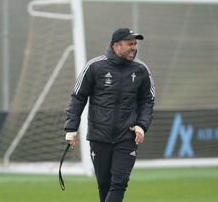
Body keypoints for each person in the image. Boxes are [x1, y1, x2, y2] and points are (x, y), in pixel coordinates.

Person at [64, 27, 155, 202]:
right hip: (99, 137)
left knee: (119, 184)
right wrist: (71, 128)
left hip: (127, 137)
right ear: (116, 46)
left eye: (135, 44)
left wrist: (142, 126)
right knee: (104, 186)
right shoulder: (94, 66)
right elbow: (78, 97)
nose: (134, 47)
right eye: (130, 44)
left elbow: (147, 101)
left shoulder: (141, 70)